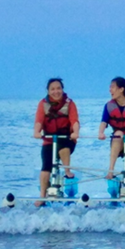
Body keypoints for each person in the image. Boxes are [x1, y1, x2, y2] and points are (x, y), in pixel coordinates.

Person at [33, 78, 80, 207]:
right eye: (52, 89)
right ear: (48, 91)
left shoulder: (70, 104)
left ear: (62, 89)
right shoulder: (43, 104)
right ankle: (42, 196)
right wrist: (37, 131)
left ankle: (67, 171)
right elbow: (39, 120)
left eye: (58, 88)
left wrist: (75, 132)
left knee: (63, 149)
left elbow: (75, 121)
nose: (56, 91)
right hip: (49, 140)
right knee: (45, 167)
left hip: (66, 139)